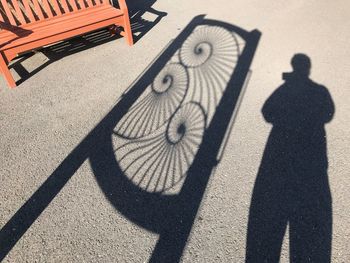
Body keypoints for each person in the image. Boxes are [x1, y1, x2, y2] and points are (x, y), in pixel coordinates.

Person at [246, 54, 335, 262]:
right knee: (308, 231)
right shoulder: (319, 91)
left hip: (279, 155)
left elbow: (267, 111)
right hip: (312, 159)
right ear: (308, 69)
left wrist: (286, 118)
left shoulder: (286, 89)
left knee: (269, 226)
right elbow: (329, 113)